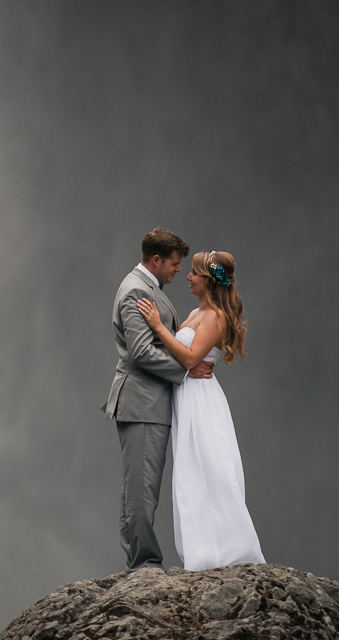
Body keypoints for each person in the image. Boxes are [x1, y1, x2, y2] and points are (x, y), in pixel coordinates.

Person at [136, 250, 265, 570]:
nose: (188, 278)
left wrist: (157, 326)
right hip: (187, 395)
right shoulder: (197, 312)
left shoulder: (216, 317)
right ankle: (202, 550)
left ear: (208, 282)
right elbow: (186, 358)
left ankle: (230, 547)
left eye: (194, 274)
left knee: (211, 468)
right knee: (190, 474)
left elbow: (192, 358)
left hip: (201, 400)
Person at [102, 228, 214, 572]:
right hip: (142, 402)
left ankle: (139, 559)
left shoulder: (148, 288)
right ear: (156, 260)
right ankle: (144, 564)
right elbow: (140, 352)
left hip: (147, 402)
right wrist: (185, 370)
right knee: (142, 489)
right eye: (175, 264)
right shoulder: (136, 290)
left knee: (137, 486)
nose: (179, 270)